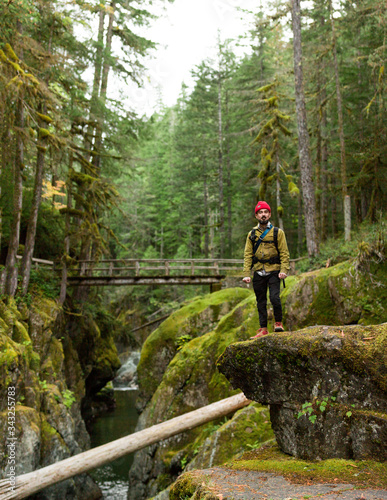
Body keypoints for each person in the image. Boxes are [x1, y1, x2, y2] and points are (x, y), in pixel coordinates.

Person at [242, 201, 290, 339]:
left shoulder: (278, 233)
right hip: (258, 271)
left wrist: (284, 270)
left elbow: (284, 253)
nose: (263, 215)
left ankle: (278, 323)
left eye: (265, 212)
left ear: (269, 214)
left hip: (274, 270)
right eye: (260, 212)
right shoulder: (251, 234)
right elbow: (247, 255)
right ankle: (263, 329)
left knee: (275, 298)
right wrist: (246, 273)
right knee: (260, 301)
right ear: (256, 215)